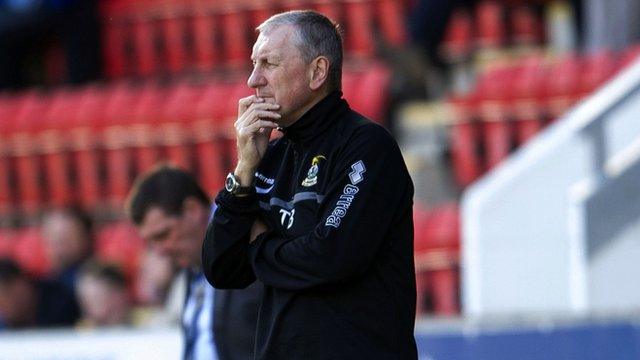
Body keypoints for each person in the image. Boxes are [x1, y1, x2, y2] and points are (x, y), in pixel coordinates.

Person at [202, 10, 417, 359]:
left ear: (317, 72)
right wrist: (243, 171)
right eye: (254, 64)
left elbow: (331, 256)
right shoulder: (267, 155)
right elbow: (222, 269)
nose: (253, 80)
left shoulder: (367, 147)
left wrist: (258, 246)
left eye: (268, 63)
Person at [126, 165, 261, 360]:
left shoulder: (247, 244)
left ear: (192, 210)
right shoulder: (193, 258)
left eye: (163, 235)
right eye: (151, 242)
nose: (159, 251)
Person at [0, 257, 79, 329]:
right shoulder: (5, 322)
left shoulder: (61, 302)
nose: (2, 310)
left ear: (19, 287)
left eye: (2, 301)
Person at [41, 207, 94, 292]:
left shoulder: (97, 283)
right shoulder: (45, 284)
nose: (58, 244)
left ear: (86, 238)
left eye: (67, 237)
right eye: (52, 237)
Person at [75, 260, 131, 328]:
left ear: (117, 297)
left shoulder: (143, 326)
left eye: (95, 299)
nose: (86, 308)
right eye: (83, 299)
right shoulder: (82, 333)